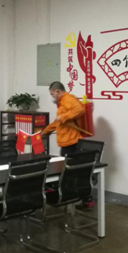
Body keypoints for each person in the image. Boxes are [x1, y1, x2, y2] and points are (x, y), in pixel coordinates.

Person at [42, 81, 94, 211]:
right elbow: (58, 123)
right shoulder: (62, 103)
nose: (53, 96)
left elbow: (79, 109)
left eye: (52, 94)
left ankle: (79, 198)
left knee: (72, 172)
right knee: (71, 171)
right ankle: (82, 198)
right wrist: (45, 132)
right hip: (67, 142)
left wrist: (63, 117)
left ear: (57, 91)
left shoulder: (68, 99)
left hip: (72, 143)